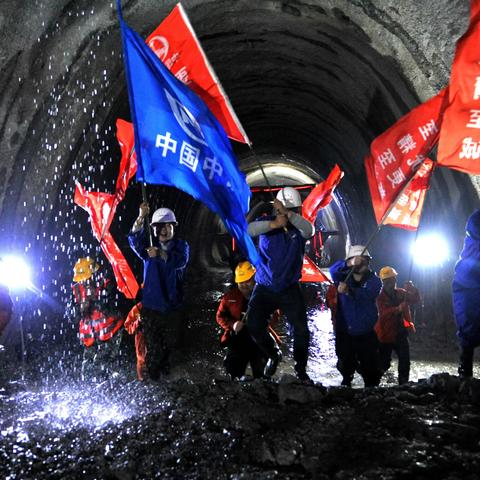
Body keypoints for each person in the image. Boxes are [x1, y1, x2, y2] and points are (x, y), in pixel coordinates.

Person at [247, 187, 315, 382]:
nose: (284, 213)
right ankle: (273, 354)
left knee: (301, 331)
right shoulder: (265, 224)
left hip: (289, 288)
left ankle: (301, 370)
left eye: (293, 209)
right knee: (254, 325)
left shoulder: (299, 229)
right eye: (282, 209)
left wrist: (289, 215)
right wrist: (274, 224)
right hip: (265, 287)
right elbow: (248, 230)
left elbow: (309, 230)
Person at [128, 203, 189, 380]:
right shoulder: (148, 248)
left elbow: (180, 262)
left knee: (170, 345)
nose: (164, 230)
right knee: (154, 346)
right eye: (160, 227)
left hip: (172, 307)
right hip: (152, 307)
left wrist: (162, 255)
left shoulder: (181, 246)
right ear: (154, 229)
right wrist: (141, 216)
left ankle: (167, 374)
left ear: (173, 227)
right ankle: (155, 380)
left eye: (168, 226)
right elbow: (133, 239)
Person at [328, 245, 382, 387]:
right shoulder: (342, 277)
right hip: (345, 331)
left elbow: (368, 295)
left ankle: (371, 390)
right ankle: (347, 380)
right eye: (357, 260)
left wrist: (349, 292)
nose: (360, 263)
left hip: (366, 332)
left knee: (370, 368)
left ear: (368, 262)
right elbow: (333, 270)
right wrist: (348, 264)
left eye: (363, 260)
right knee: (345, 363)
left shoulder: (374, 281)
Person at [216, 261, 280, 380]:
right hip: (237, 339)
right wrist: (233, 324)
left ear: (255, 278)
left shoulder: (264, 296)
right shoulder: (230, 297)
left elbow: (275, 317)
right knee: (232, 373)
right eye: (241, 282)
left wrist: (261, 318)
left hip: (259, 340)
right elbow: (220, 316)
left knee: (262, 376)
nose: (244, 285)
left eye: (247, 281)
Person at [71, 257, 124, 379]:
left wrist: (95, 300)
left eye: (85, 278)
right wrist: (80, 310)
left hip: (111, 333)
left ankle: (114, 388)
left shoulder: (107, 284)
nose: (83, 282)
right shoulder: (77, 290)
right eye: (81, 280)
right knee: (88, 372)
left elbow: (114, 307)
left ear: (93, 274)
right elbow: (71, 315)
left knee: (106, 366)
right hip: (90, 339)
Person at [375, 266, 420, 384]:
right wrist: (397, 309)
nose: (392, 282)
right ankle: (374, 381)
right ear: (383, 282)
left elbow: (416, 299)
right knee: (383, 362)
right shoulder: (379, 298)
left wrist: (412, 289)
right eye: (388, 280)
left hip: (400, 333)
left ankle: (403, 383)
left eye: (393, 279)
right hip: (385, 334)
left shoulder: (401, 293)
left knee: (405, 360)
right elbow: (383, 313)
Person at [452, 209, 480, 378]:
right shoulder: (476, 220)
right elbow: (475, 229)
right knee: (468, 325)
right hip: (467, 282)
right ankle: (465, 372)